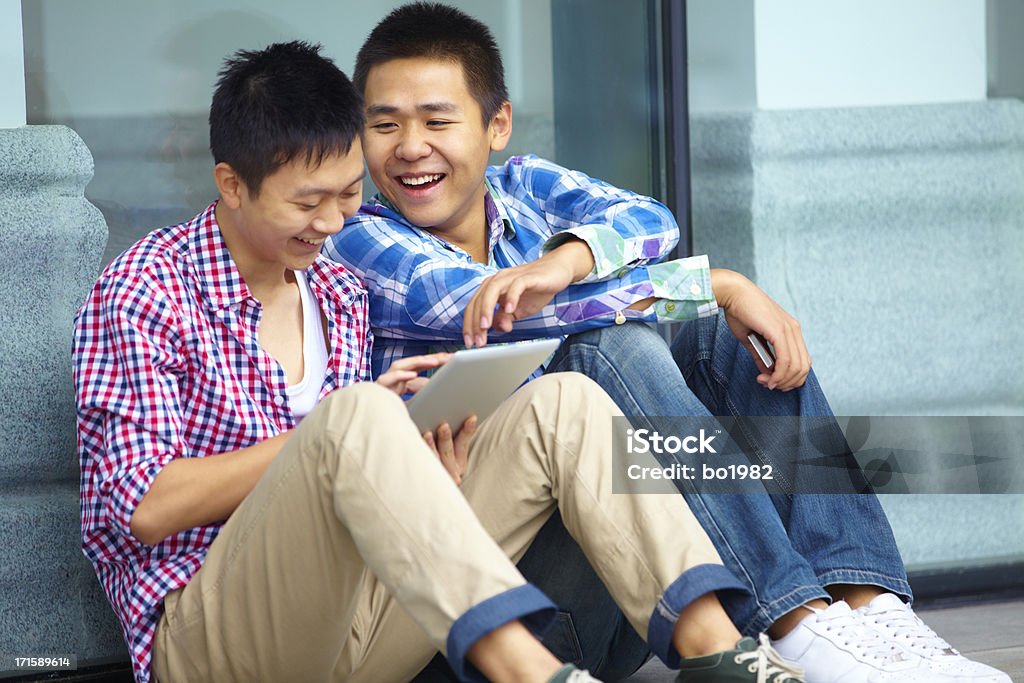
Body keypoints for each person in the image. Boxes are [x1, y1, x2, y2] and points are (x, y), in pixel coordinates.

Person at [72, 40, 809, 683]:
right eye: (308, 204)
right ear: (231, 184)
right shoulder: (147, 289)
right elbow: (146, 507)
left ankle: (720, 654)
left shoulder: (335, 285)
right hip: (215, 638)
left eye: (349, 194)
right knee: (357, 412)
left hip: (367, 622)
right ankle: (533, 671)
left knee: (567, 404)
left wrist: (420, 468)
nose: (334, 223)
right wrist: (332, 440)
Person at [324, 4, 1012, 683]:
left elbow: (651, 218)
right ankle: (792, 620)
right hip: (516, 616)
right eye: (383, 124)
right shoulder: (361, 237)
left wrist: (566, 257)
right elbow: (502, 309)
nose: (409, 146)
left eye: (437, 120)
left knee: (726, 344)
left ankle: (869, 609)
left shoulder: (527, 184)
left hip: (636, 591)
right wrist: (716, 281)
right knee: (609, 349)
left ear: (496, 124)